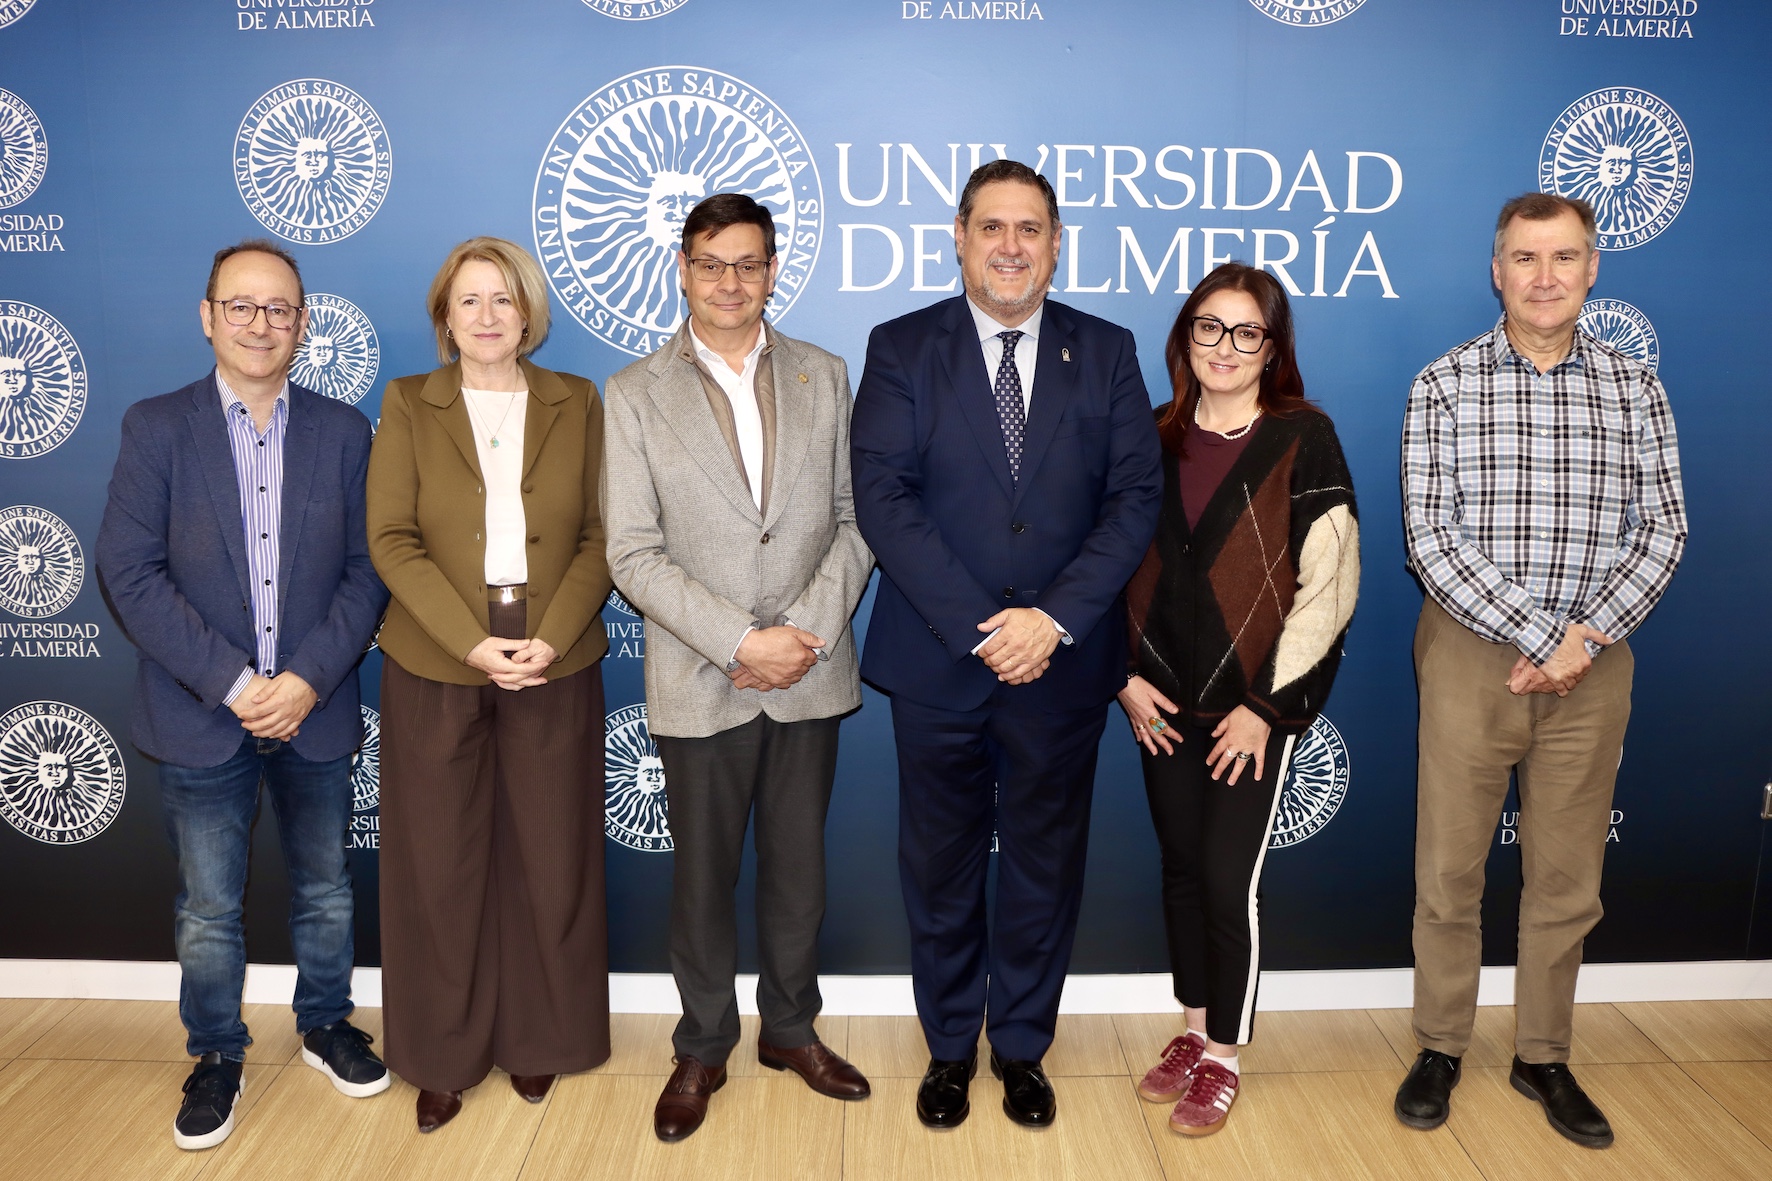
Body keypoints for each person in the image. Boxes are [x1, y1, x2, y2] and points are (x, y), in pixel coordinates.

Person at [851, 159, 1163, 1129]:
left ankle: (1021, 1045)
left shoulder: (1104, 350)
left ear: (1056, 243)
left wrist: (1050, 620)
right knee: (939, 867)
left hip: (1060, 667)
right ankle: (949, 1047)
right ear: (959, 236)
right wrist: (981, 629)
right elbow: (883, 497)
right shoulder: (902, 346)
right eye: (992, 226)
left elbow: (1133, 498)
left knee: (1043, 866)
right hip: (938, 659)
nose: (1010, 246)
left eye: (1030, 228)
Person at [1395, 193, 1686, 1148]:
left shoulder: (1636, 388)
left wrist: (1581, 639)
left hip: (1594, 664)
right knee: (1449, 870)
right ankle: (1440, 1045)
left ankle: (1543, 1053)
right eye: (1525, 258)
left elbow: (1664, 530)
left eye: (1564, 257)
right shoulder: (1444, 384)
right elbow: (1430, 538)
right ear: (1498, 271)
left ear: (1593, 269)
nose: (1545, 276)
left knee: (1567, 877)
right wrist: (1538, 634)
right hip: (1470, 653)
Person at [95, 239, 390, 1151]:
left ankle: (326, 1023)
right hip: (199, 713)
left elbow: (368, 571)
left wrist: (305, 680)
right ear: (208, 315)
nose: (261, 324)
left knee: (326, 889)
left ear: (303, 323)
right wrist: (233, 683)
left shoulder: (346, 431)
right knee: (208, 907)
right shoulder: (157, 426)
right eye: (242, 305)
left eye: (280, 309)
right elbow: (128, 571)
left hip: (316, 707)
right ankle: (217, 1052)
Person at [602, 192, 875, 1142]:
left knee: (799, 872)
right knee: (702, 879)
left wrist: (802, 632)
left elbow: (857, 519)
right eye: (712, 263)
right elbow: (631, 551)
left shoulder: (824, 374)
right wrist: (739, 641)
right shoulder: (632, 392)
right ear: (683, 269)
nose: (731, 282)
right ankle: (704, 1044)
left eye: (749, 263)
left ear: (772, 270)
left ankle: (791, 1029)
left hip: (809, 669)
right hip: (700, 673)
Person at [366, 237, 613, 1133]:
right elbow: (392, 539)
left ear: (528, 313)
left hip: (555, 652)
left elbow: (603, 535)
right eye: (468, 300)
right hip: (438, 656)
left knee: (550, 858)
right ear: (444, 315)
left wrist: (550, 635)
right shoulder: (407, 402)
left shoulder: (578, 400)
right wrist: (473, 644)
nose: (487, 316)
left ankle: (541, 1036)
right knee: (438, 863)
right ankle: (442, 1053)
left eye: (503, 298)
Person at [1117, 263, 1359, 1137]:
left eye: (1246, 330)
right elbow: (1100, 562)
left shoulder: (1304, 436)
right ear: (1185, 337)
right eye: (1208, 327)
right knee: (1181, 870)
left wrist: (1265, 707)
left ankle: (1223, 1054)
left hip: (1249, 713)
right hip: (1158, 704)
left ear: (1272, 346)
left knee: (1227, 879)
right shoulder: (1148, 436)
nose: (1225, 346)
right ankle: (1192, 1029)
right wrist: (1121, 676)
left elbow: (1330, 586)